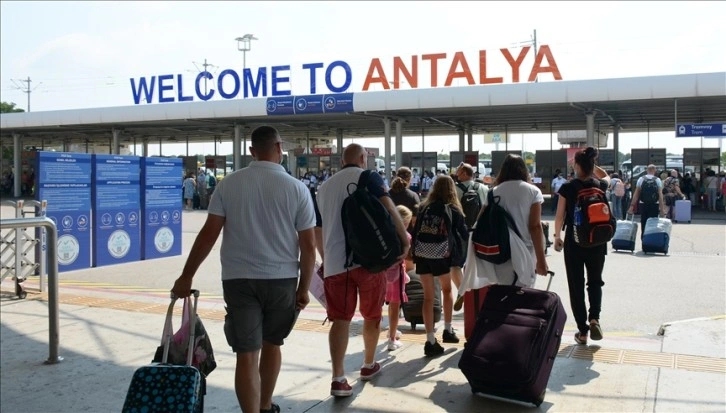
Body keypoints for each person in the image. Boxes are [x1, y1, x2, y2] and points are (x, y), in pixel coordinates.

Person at [171, 126, 316, 413]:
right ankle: (265, 405)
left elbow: (208, 235)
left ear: (251, 151)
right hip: (282, 279)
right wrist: (304, 288)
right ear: (279, 148)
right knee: (272, 344)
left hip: (238, 281)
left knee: (246, 354)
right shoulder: (297, 188)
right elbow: (308, 246)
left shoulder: (229, 184)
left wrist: (186, 276)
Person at [317, 143, 409, 398]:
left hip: (336, 265)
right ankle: (368, 364)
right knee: (371, 315)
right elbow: (389, 209)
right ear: (362, 158)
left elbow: (317, 229)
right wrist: (404, 241)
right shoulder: (369, 177)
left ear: (341, 160)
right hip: (370, 261)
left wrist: (327, 259)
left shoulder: (324, 187)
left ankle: (338, 378)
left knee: (340, 319)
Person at [461, 154, 549, 292]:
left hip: (500, 251)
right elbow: (535, 227)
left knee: (503, 293)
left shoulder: (493, 192)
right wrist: (541, 261)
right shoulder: (533, 191)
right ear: (524, 170)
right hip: (525, 252)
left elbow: (480, 221)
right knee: (523, 295)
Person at [554, 147, 611, 346]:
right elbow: (606, 176)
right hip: (598, 241)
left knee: (576, 285)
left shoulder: (568, 187)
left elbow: (559, 216)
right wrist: (592, 166)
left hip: (574, 242)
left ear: (577, 166)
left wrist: (557, 237)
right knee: (595, 282)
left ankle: (583, 331)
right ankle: (594, 318)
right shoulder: (600, 185)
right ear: (592, 165)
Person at [412, 175, 469, 357]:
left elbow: (415, 231)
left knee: (428, 297)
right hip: (442, 255)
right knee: (447, 290)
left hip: (422, 254)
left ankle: (430, 341)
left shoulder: (423, 207)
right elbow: (463, 234)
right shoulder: (453, 209)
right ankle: (448, 330)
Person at [384, 205, 414, 351]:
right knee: (395, 305)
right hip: (397, 275)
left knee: (390, 304)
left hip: (383, 273)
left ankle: (392, 330)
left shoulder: (386, 232)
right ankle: (392, 339)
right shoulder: (406, 236)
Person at [627, 164, 666, 239]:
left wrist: (631, 206)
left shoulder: (641, 179)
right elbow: (660, 196)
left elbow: (636, 194)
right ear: (654, 170)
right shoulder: (657, 180)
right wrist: (662, 209)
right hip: (654, 204)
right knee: (653, 223)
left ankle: (643, 239)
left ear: (647, 170)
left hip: (643, 204)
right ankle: (651, 239)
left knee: (644, 221)